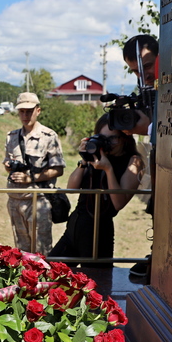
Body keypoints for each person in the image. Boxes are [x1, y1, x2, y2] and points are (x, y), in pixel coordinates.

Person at [50, 113, 144, 266]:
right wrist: (84, 160)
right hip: (76, 226)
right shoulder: (94, 157)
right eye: (102, 138)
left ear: (124, 138)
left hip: (99, 232)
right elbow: (71, 189)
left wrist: (108, 169)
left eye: (112, 138)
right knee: (50, 272)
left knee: (96, 283)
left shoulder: (134, 161)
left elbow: (118, 203)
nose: (108, 143)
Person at [3, 92, 65, 255]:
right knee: (21, 251)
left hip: (38, 201)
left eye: (29, 111)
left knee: (40, 251)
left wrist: (30, 177)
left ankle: (43, 281)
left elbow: (58, 169)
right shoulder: (12, 137)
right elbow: (6, 162)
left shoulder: (48, 136)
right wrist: (9, 166)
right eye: (22, 111)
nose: (25, 115)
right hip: (15, 200)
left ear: (38, 110)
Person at [122, 34, 158, 278]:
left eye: (147, 66)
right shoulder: (146, 89)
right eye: (135, 71)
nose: (143, 74)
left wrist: (148, 128)